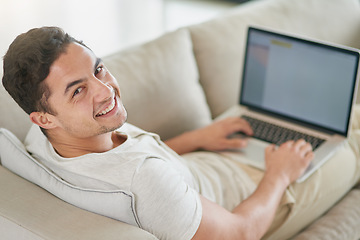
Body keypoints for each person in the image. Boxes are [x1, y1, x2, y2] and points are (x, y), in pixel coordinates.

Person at [2, 27, 359, 240]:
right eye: (77, 90)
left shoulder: (43, 142)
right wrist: (280, 174)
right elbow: (239, 233)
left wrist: (198, 137)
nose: (105, 90)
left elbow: (131, 162)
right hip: (259, 199)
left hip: (213, 165)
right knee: (350, 140)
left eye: (98, 69)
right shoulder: (145, 181)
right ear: (44, 118)